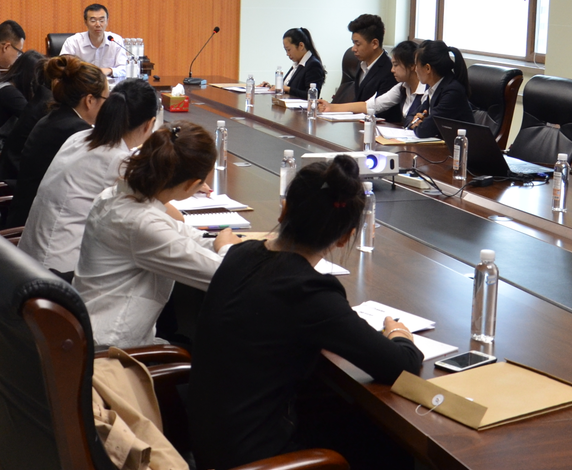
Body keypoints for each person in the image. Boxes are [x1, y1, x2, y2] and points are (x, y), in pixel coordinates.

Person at [189, 155, 421, 470]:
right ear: (345, 237)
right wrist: (399, 335)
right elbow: (401, 365)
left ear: (284, 210)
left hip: (212, 445)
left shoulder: (239, 254)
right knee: (392, 447)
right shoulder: (311, 292)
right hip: (258, 459)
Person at [73, 123, 238, 348]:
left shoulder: (115, 195)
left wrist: (224, 244)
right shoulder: (142, 223)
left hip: (93, 331)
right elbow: (226, 278)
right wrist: (228, 248)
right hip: (112, 352)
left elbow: (183, 236)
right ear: (191, 185)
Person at [19, 79, 159, 280]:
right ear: (150, 124)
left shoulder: (81, 137)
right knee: (146, 269)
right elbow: (163, 209)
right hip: (58, 273)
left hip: (28, 259)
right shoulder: (117, 160)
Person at [0, 55, 106, 229]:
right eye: (106, 99)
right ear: (89, 100)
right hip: (37, 223)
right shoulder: (77, 131)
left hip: (25, 212)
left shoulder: (55, 116)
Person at [317, 40, 426, 124]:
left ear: (412, 66)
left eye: (396, 65)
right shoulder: (402, 87)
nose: (392, 70)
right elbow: (371, 106)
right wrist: (331, 107)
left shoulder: (427, 91)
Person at [410, 40, 473, 139]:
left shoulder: (452, 92)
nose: (415, 69)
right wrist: (418, 121)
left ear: (428, 68)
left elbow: (424, 130)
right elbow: (411, 117)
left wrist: (418, 125)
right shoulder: (434, 87)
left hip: (460, 146)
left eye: (416, 65)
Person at [336, 14, 393, 105]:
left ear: (374, 44)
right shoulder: (361, 64)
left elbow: (379, 109)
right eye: (353, 43)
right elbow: (357, 100)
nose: (353, 49)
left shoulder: (389, 71)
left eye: (358, 44)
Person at [59, 3, 129, 75]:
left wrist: (108, 71)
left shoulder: (115, 40)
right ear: (85, 22)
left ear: (107, 21)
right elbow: (63, 67)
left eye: (102, 20)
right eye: (93, 21)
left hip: (109, 81)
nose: (98, 25)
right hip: (82, 81)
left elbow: (123, 69)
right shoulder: (73, 42)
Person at [261, 28, 325, 99]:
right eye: (286, 50)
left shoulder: (313, 65)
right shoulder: (297, 64)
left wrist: (288, 89)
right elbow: (287, 86)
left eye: (289, 50)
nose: (287, 54)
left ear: (301, 46)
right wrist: (271, 86)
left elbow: (312, 96)